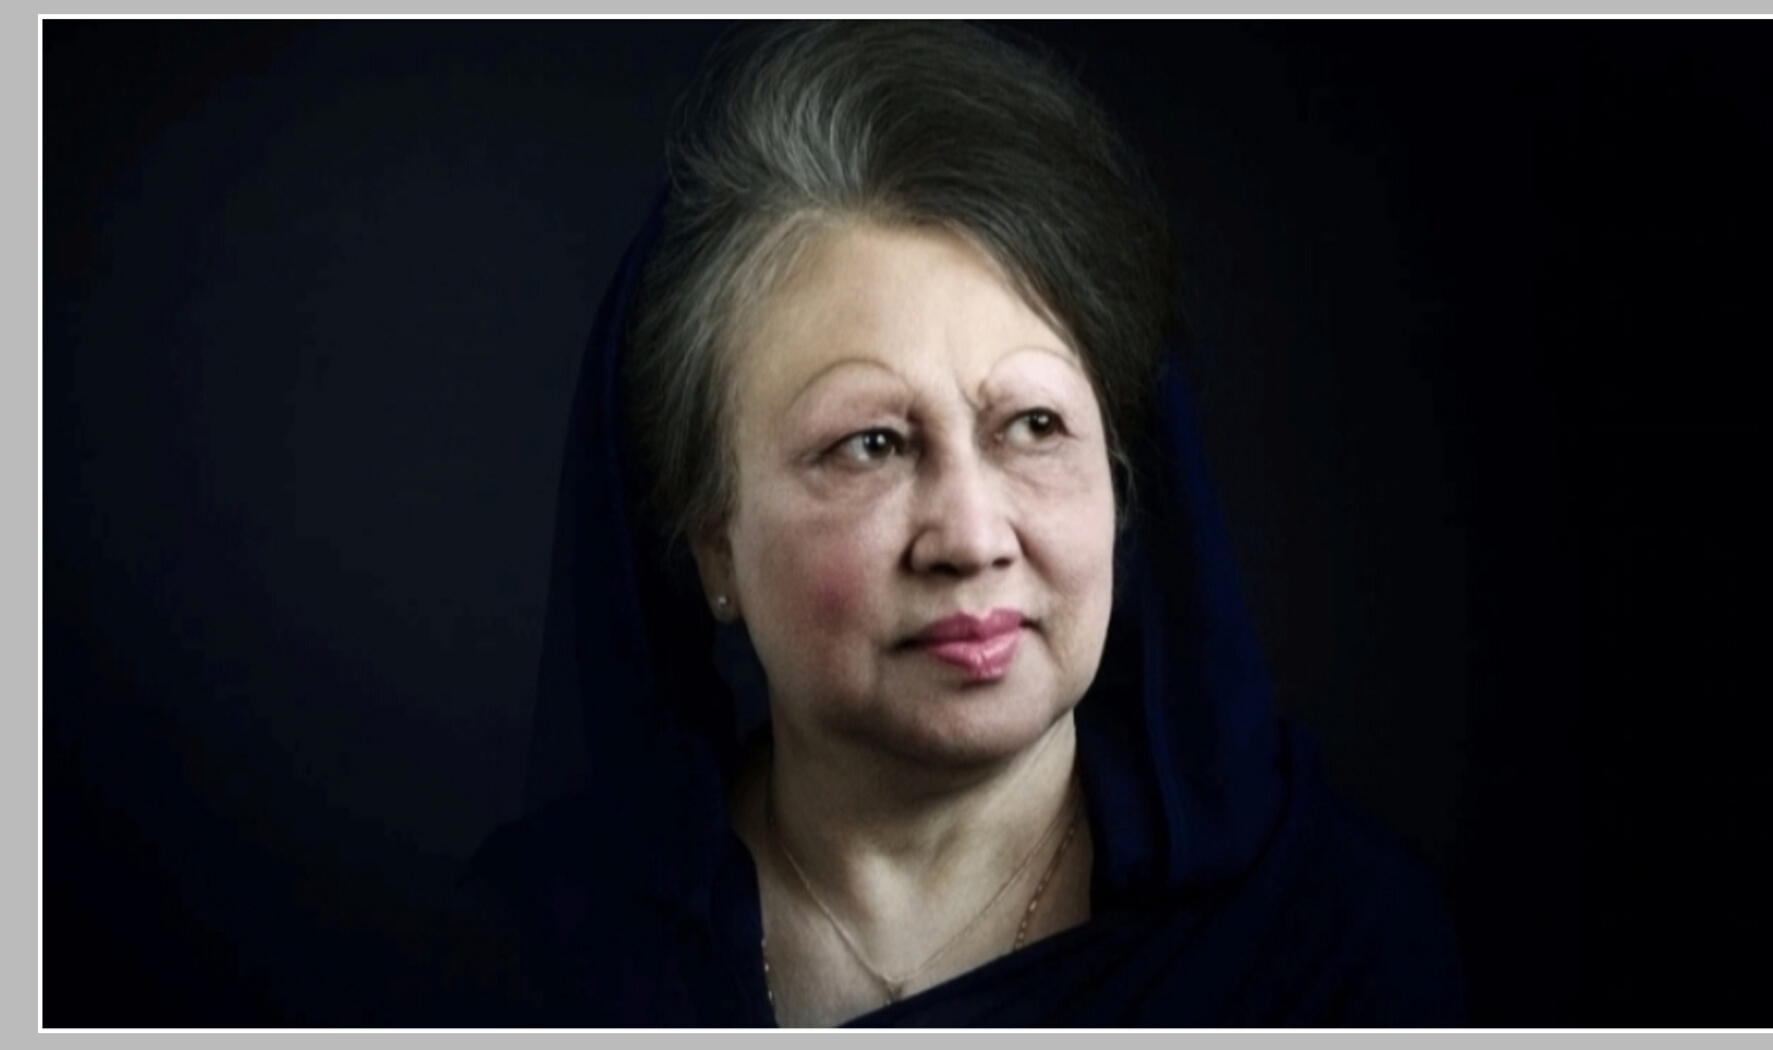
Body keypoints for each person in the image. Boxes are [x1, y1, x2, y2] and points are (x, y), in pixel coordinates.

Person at [434, 21, 1465, 1027]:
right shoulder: (525, 965)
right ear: (713, 541)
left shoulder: (1330, 956)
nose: (972, 539)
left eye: (1033, 426)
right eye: (871, 444)